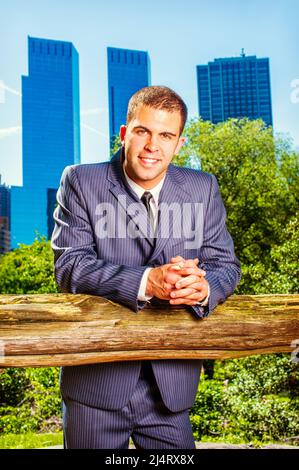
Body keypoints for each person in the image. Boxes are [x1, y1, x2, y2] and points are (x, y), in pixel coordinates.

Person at [51, 85, 241, 449]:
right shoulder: (81, 181)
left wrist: (205, 288)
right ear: (125, 134)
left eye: (166, 135)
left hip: (171, 385)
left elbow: (225, 265)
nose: (153, 145)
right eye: (143, 131)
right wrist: (147, 282)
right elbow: (70, 267)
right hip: (97, 381)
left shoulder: (203, 188)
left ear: (179, 143)